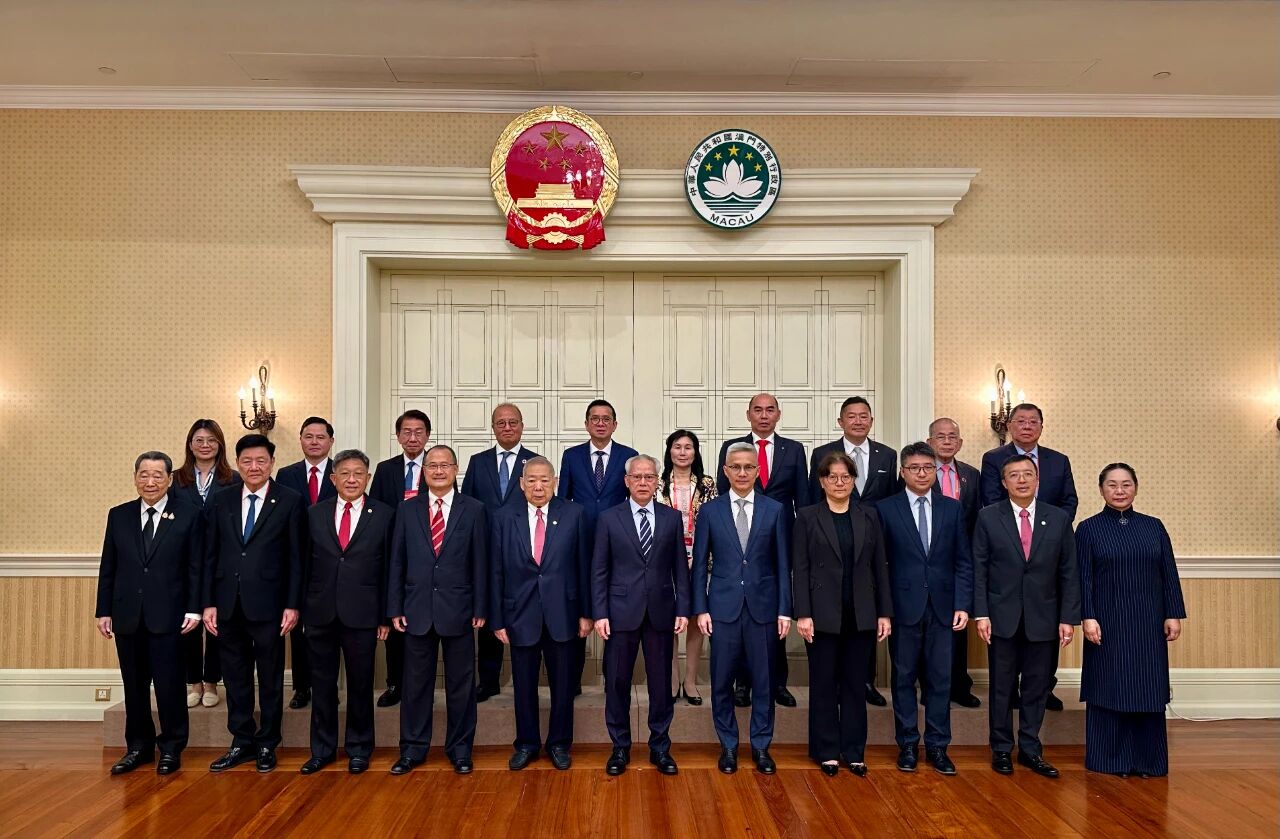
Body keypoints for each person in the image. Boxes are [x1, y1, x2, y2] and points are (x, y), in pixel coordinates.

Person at [202, 434, 306, 774]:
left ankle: (267, 743)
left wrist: (292, 604)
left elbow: (297, 558)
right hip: (227, 604)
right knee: (235, 677)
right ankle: (241, 741)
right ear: (237, 463)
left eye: (261, 460)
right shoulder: (222, 499)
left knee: (271, 677)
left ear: (272, 463)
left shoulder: (289, 500)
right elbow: (210, 554)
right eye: (247, 461)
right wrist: (208, 602)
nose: (254, 467)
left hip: (271, 606)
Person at [973, 454, 1080, 779]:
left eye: (1027, 474)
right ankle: (1001, 749)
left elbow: (1069, 571)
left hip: (1044, 617)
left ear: (1037, 480)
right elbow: (979, 568)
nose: (1021, 480)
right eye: (1014, 475)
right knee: (1002, 688)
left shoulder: (1058, 518)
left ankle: (1031, 749)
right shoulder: (988, 517)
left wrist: (1067, 618)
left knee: (1037, 687)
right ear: (1003, 483)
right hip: (1001, 617)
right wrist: (981, 613)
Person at [96, 451, 202, 775]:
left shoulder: (189, 514)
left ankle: (171, 747)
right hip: (127, 615)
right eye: (144, 474)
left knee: (170, 686)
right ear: (135, 478)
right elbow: (109, 566)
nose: (150, 481)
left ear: (169, 480)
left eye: (158, 475)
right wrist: (103, 610)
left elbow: (195, 567)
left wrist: (195, 609)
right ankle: (138, 747)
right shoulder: (119, 515)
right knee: (134, 686)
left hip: (170, 616)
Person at [1079, 463, 1186, 778]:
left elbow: (1168, 572)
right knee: (1110, 685)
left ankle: (1148, 761)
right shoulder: (1088, 529)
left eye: (1126, 484)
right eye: (1112, 485)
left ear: (1136, 488)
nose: (1119, 491)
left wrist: (1173, 613)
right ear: (1101, 490)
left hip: (1149, 621)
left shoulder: (1154, 527)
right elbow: (1083, 579)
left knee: (1147, 687)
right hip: (1106, 622)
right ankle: (1110, 760)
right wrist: (1087, 616)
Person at [388, 445, 488, 776]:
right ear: (423, 471)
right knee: (415, 686)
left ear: (456, 469)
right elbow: (397, 561)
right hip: (416, 610)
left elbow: (480, 561)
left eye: (445, 465)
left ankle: (460, 750)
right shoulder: (407, 509)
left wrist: (480, 605)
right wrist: (395, 606)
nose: (439, 471)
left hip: (459, 609)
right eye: (433, 465)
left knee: (461, 686)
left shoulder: (473, 509)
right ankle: (412, 749)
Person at [694, 442, 792, 776]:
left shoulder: (775, 510)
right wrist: (700, 608)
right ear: (725, 471)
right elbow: (699, 565)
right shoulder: (710, 511)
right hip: (722, 609)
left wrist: (784, 609)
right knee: (721, 681)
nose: (742, 473)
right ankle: (728, 746)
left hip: (763, 609)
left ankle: (761, 746)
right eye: (735, 467)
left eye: (749, 467)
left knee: (764, 682)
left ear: (758, 471)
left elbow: (783, 564)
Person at [489, 456, 592, 771]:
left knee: (563, 686)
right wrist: (497, 619)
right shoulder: (503, 517)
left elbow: (584, 567)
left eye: (544, 480)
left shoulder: (574, 514)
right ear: (521, 483)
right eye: (531, 480)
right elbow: (495, 571)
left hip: (564, 613)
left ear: (555, 482)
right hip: (520, 615)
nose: (538, 486)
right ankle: (526, 744)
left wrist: (586, 613)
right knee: (523, 686)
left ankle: (559, 744)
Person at [876, 442, 972, 776]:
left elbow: (963, 560)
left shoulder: (952, 508)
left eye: (927, 468)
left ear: (936, 471)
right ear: (903, 472)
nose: (921, 473)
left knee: (940, 679)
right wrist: (884, 610)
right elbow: (879, 565)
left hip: (944, 608)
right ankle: (907, 744)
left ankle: (937, 746)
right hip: (902, 608)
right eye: (914, 468)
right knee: (903, 678)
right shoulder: (885, 509)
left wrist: (963, 603)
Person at [591, 454, 690, 776]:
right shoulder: (609, 518)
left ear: (657, 481)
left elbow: (680, 568)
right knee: (617, 682)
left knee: (661, 684)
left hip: (661, 611)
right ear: (627, 481)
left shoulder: (672, 518)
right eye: (637, 477)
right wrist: (600, 612)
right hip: (619, 613)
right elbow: (599, 570)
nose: (643, 482)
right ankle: (619, 747)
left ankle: (660, 747)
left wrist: (683, 608)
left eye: (649, 477)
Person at [793, 452, 891, 777]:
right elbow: (800, 568)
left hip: (861, 613)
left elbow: (880, 567)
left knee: (854, 685)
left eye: (845, 477)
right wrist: (802, 614)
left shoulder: (869, 515)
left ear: (853, 481)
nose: (839, 482)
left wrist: (884, 613)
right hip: (821, 615)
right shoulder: (807, 516)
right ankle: (826, 751)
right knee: (823, 684)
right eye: (832, 477)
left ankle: (853, 750)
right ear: (822, 482)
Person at [298, 449, 392, 776]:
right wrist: (302, 610)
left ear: (368, 478)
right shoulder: (314, 513)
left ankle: (359, 748)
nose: (352, 480)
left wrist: (384, 616)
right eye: (345, 474)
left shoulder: (384, 514)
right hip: (320, 613)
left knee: (360, 685)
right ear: (333, 478)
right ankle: (322, 750)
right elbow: (303, 565)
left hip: (363, 614)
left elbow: (389, 568)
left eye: (358, 474)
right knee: (322, 685)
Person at [978, 403, 1077, 712]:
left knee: (1043, 647)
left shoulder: (1058, 461)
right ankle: (1009, 700)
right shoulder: (994, 459)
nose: (1027, 426)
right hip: (1007, 553)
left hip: (1046, 555)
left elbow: (1069, 501)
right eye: (1020, 421)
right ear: (1009, 425)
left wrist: (1050, 528)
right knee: (1005, 660)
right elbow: (990, 499)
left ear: (1042, 427)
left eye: (1033, 421)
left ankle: (1043, 689)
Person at [714, 392, 807, 708]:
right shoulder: (733, 448)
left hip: (778, 537)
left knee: (773, 609)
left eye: (770, 410)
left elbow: (802, 499)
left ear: (778, 414)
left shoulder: (794, 449)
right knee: (743, 610)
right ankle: (742, 683)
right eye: (758, 410)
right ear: (748, 414)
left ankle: (777, 682)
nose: (764, 415)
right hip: (741, 536)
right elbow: (723, 493)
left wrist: (800, 541)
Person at [809, 396, 898, 708]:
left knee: (864, 613)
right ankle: (835, 683)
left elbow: (891, 499)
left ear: (871, 420)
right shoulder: (822, 454)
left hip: (869, 542)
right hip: (830, 539)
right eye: (852, 416)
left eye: (864, 416)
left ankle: (866, 681)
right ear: (841, 421)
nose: (858, 421)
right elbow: (812, 499)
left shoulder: (888, 455)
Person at [558, 399, 638, 695]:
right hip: (578, 542)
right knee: (579, 609)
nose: (600, 423)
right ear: (586, 424)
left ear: (615, 424)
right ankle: (573, 680)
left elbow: (633, 500)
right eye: (595, 418)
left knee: (613, 610)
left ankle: (612, 679)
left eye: (606, 419)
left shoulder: (628, 455)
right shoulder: (572, 456)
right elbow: (563, 500)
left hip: (618, 543)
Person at [461, 402, 540, 703]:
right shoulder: (478, 462)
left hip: (525, 550)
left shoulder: (536, 462)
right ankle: (489, 680)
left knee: (528, 611)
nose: (507, 427)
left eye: (513, 422)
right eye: (501, 423)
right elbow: (466, 505)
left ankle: (529, 680)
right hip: (486, 549)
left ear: (522, 426)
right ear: (493, 427)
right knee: (489, 611)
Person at [171, 418, 239, 709]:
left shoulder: (233, 478)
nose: (205, 445)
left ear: (220, 445)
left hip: (221, 560)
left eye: (211, 440)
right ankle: (193, 682)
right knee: (188, 623)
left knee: (215, 623)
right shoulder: (175, 479)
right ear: (190, 445)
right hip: (183, 562)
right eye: (199, 440)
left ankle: (211, 681)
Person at [368, 408, 431, 708]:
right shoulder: (385, 469)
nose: (412, 437)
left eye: (419, 432)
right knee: (396, 620)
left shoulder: (437, 465)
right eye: (407, 432)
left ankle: (419, 685)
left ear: (427, 435)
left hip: (427, 558)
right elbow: (377, 512)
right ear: (397, 436)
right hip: (394, 554)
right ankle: (395, 683)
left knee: (424, 625)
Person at [275, 416, 338, 711]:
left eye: (320, 437)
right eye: (308, 436)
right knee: (298, 627)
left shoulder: (341, 472)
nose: (314, 442)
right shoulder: (286, 475)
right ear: (301, 439)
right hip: (297, 560)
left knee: (331, 629)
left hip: (331, 562)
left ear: (331, 442)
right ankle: (302, 687)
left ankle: (329, 687)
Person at [656, 429, 717, 705]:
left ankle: (690, 681)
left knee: (695, 619)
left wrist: (699, 556)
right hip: (665, 561)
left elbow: (714, 522)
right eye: (677, 447)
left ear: (695, 452)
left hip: (700, 559)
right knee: (669, 619)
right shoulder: (658, 484)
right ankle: (672, 679)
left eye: (688, 447)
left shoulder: (707, 484)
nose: (682, 452)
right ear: (669, 451)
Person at [926, 417, 983, 708]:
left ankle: (959, 685)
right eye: (941, 436)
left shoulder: (972, 475)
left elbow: (977, 518)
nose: (947, 441)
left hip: (961, 561)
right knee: (929, 626)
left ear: (960, 443)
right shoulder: (919, 472)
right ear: (929, 442)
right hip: (928, 560)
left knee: (959, 625)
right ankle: (931, 686)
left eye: (952, 437)